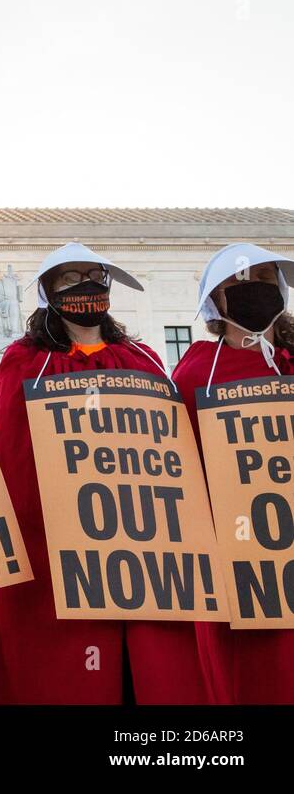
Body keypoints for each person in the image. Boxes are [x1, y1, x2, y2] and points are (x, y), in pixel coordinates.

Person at [0, 242, 209, 703]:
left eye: (92, 275)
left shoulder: (142, 361)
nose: (84, 285)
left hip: (142, 551)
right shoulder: (25, 364)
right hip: (57, 555)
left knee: (142, 673)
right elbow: (12, 454)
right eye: (68, 279)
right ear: (48, 293)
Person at [172, 242, 294, 703]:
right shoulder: (195, 373)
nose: (255, 291)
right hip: (235, 563)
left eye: (265, 280)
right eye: (241, 283)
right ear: (216, 299)